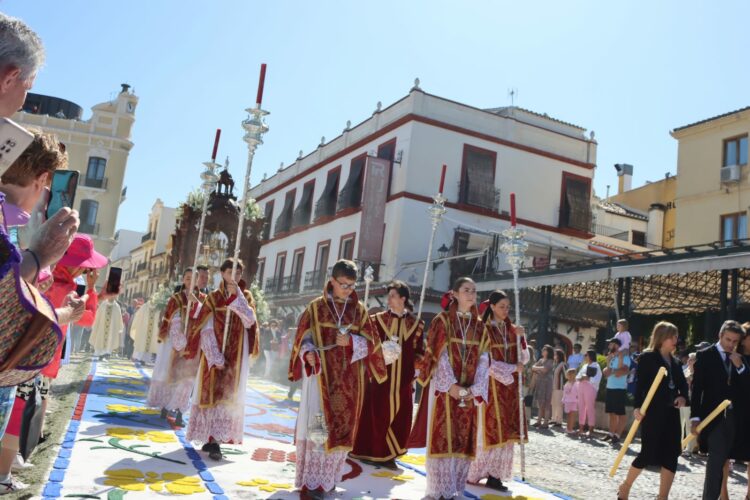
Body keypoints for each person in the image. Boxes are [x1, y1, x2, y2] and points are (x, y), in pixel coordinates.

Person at [288, 260, 387, 499]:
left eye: (352, 285)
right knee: (318, 429)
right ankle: (312, 483)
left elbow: (374, 346)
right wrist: (308, 353)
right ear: (332, 281)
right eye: (343, 284)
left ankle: (329, 480)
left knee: (340, 432)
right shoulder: (316, 308)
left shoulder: (359, 310)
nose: (348, 290)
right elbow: (303, 339)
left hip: (349, 383)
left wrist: (352, 342)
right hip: (321, 380)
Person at [409, 277, 489, 500]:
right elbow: (438, 356)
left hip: (470, 392)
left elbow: (484, 358)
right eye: (466, 290)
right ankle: (438, 491)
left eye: (474, 291)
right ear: (454, 293)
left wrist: (475, 388)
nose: (471, 294)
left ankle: (455, 489)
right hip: (445, 391)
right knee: (443, 435)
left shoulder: (480, 326)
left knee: (463, 440)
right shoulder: (442, 321)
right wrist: (451, 386)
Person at [185, 258, 258, 461]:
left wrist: (237, 299)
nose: (234, 277)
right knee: (211, 394)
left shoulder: (247, 297)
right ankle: (210, 437)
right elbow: (205, 328)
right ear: (223, 274)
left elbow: (250, 320)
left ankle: (217, 439)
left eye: (238, 273)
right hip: (214, 355)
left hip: (235, 357)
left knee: (227, 397)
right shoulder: (213, 298)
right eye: (230, 273)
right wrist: (214, 355)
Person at [351, 280, 424, 470]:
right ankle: (371, 451)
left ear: (403, 298)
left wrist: (418, 365)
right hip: (380, 377)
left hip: (404, 379)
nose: (388, 299)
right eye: (388, 296)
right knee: (377, 413)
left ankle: (389, 454)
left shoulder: (416, 324)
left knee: (400, 417)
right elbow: (368, 344)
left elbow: (419, 351)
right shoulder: (377, 320)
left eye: (392, 296)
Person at [617, 321, 689, 500]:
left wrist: (682, 397)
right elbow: (640, 386)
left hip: (671, 415)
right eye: (672, 336)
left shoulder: (676, 362)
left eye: (676, 336)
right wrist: (637, 408)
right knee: (647, 453)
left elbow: (682, 387)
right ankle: (625, 487)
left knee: (672, 455)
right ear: (662, 338)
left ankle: (662, 497)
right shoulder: (648, 358)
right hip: (653, 413)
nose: (675, 340)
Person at [467, 289, 528, 493]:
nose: (505, 310)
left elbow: (524, 357)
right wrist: (512, 369)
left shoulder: (512, 329)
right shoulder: (483, 329)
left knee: (506, 435)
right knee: (489, 431)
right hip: (490, 387)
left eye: (508, 307)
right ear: (492, 307)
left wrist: (521, 338)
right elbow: (485, 361)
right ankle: (475, 472)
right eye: (501, 306)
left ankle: (495, 475)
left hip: (509, 390)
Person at [690, 320, 748, 500]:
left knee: (726, 460)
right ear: (720, 336)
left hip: (736, 418)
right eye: (728, 340)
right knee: (716, 461)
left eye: (734, 341)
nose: (731, 344)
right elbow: (697, 389)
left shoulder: (740, 358)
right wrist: (695, 418)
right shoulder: (705, 355)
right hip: (713, 418)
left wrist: (741, 367)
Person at [146, 267, 207, 427]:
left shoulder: (203, 299)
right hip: (174, 344)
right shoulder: (176, 298)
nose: (190, 281)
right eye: (187, 278)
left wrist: (197, 305)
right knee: (170, 374)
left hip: (194, 344)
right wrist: (178, 340)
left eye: (193, 278)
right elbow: (171, 318)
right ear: (183, 280)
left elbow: (205, 319)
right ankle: (165, 407)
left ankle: (180, 411)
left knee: (187, 379)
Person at [722, 322, 750, 500]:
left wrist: (741, 367)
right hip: (731, 412)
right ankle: (722, 493)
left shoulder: (739, 360)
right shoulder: (730, 356)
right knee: (724, 454)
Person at [603, 337, 631, 444]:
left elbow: (622, 371)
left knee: (620, 414)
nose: (609, 346)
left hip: (619, 388)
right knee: (611, 413)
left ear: (617, 346)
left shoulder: (625, 357)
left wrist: (612, 371)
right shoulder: (612, 357)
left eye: (611, 344)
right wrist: (608, 366)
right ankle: (611, 434)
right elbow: (606, 373)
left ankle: (618, 435)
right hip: (610, 387)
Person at [576, 349, 601, 438]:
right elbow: (578, 376)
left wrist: (588, 378)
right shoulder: (584, 366)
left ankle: (591, 429)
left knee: (590, 408)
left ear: (590, 356)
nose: (585, 356)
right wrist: (580, 378)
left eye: (586, 355)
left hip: (590, 388)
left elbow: (597, 378)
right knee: (581, 407)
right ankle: (581, 428)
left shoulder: (596, 366)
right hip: (581, 387)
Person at [531, 345, 554, 429]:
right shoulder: (541, 360)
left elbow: (545, 370)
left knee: (547, 402)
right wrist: (539, 368)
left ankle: (546, 422)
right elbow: (532, 368)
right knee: (540, 403)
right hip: (540, 383)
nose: (542, 351)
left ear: (548, 352)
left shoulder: (550, 360)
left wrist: (538, 368)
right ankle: (539, 421)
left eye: (544, 350)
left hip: (547, 384)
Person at [550, 348, 567, 427]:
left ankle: (559, 421)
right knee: (553, 403)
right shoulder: (555, 364)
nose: (554, 356)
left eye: (555, 354)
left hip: (559, 387)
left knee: (559, 404)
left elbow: (566, 375)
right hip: (553, 386)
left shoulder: (563, 364)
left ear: (559, 356)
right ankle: (553, 419)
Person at [562, 368, 579, 435]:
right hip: (572, 401)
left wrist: (563, 400)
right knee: (571, 416)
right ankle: (570, 429)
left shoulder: (567, 383)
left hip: (569, 401)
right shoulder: (575, 383)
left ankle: (568, 428)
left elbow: (565, 393)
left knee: (569, 416)